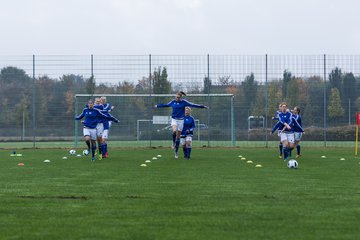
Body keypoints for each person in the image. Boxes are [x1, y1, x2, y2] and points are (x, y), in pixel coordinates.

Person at [155, 91, 208, 158]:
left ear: (181, 98)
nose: (177, 98)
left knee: (178, 137)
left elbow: (193, 105)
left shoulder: (184, 102)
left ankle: (176, 152)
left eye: (178, 97)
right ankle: (173, 143)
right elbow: (165, 105)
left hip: (181, 121)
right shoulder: (173, 102)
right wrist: (157, 106)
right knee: (174, 131)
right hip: (174, 119)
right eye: (176, 97)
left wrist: (202, 106)